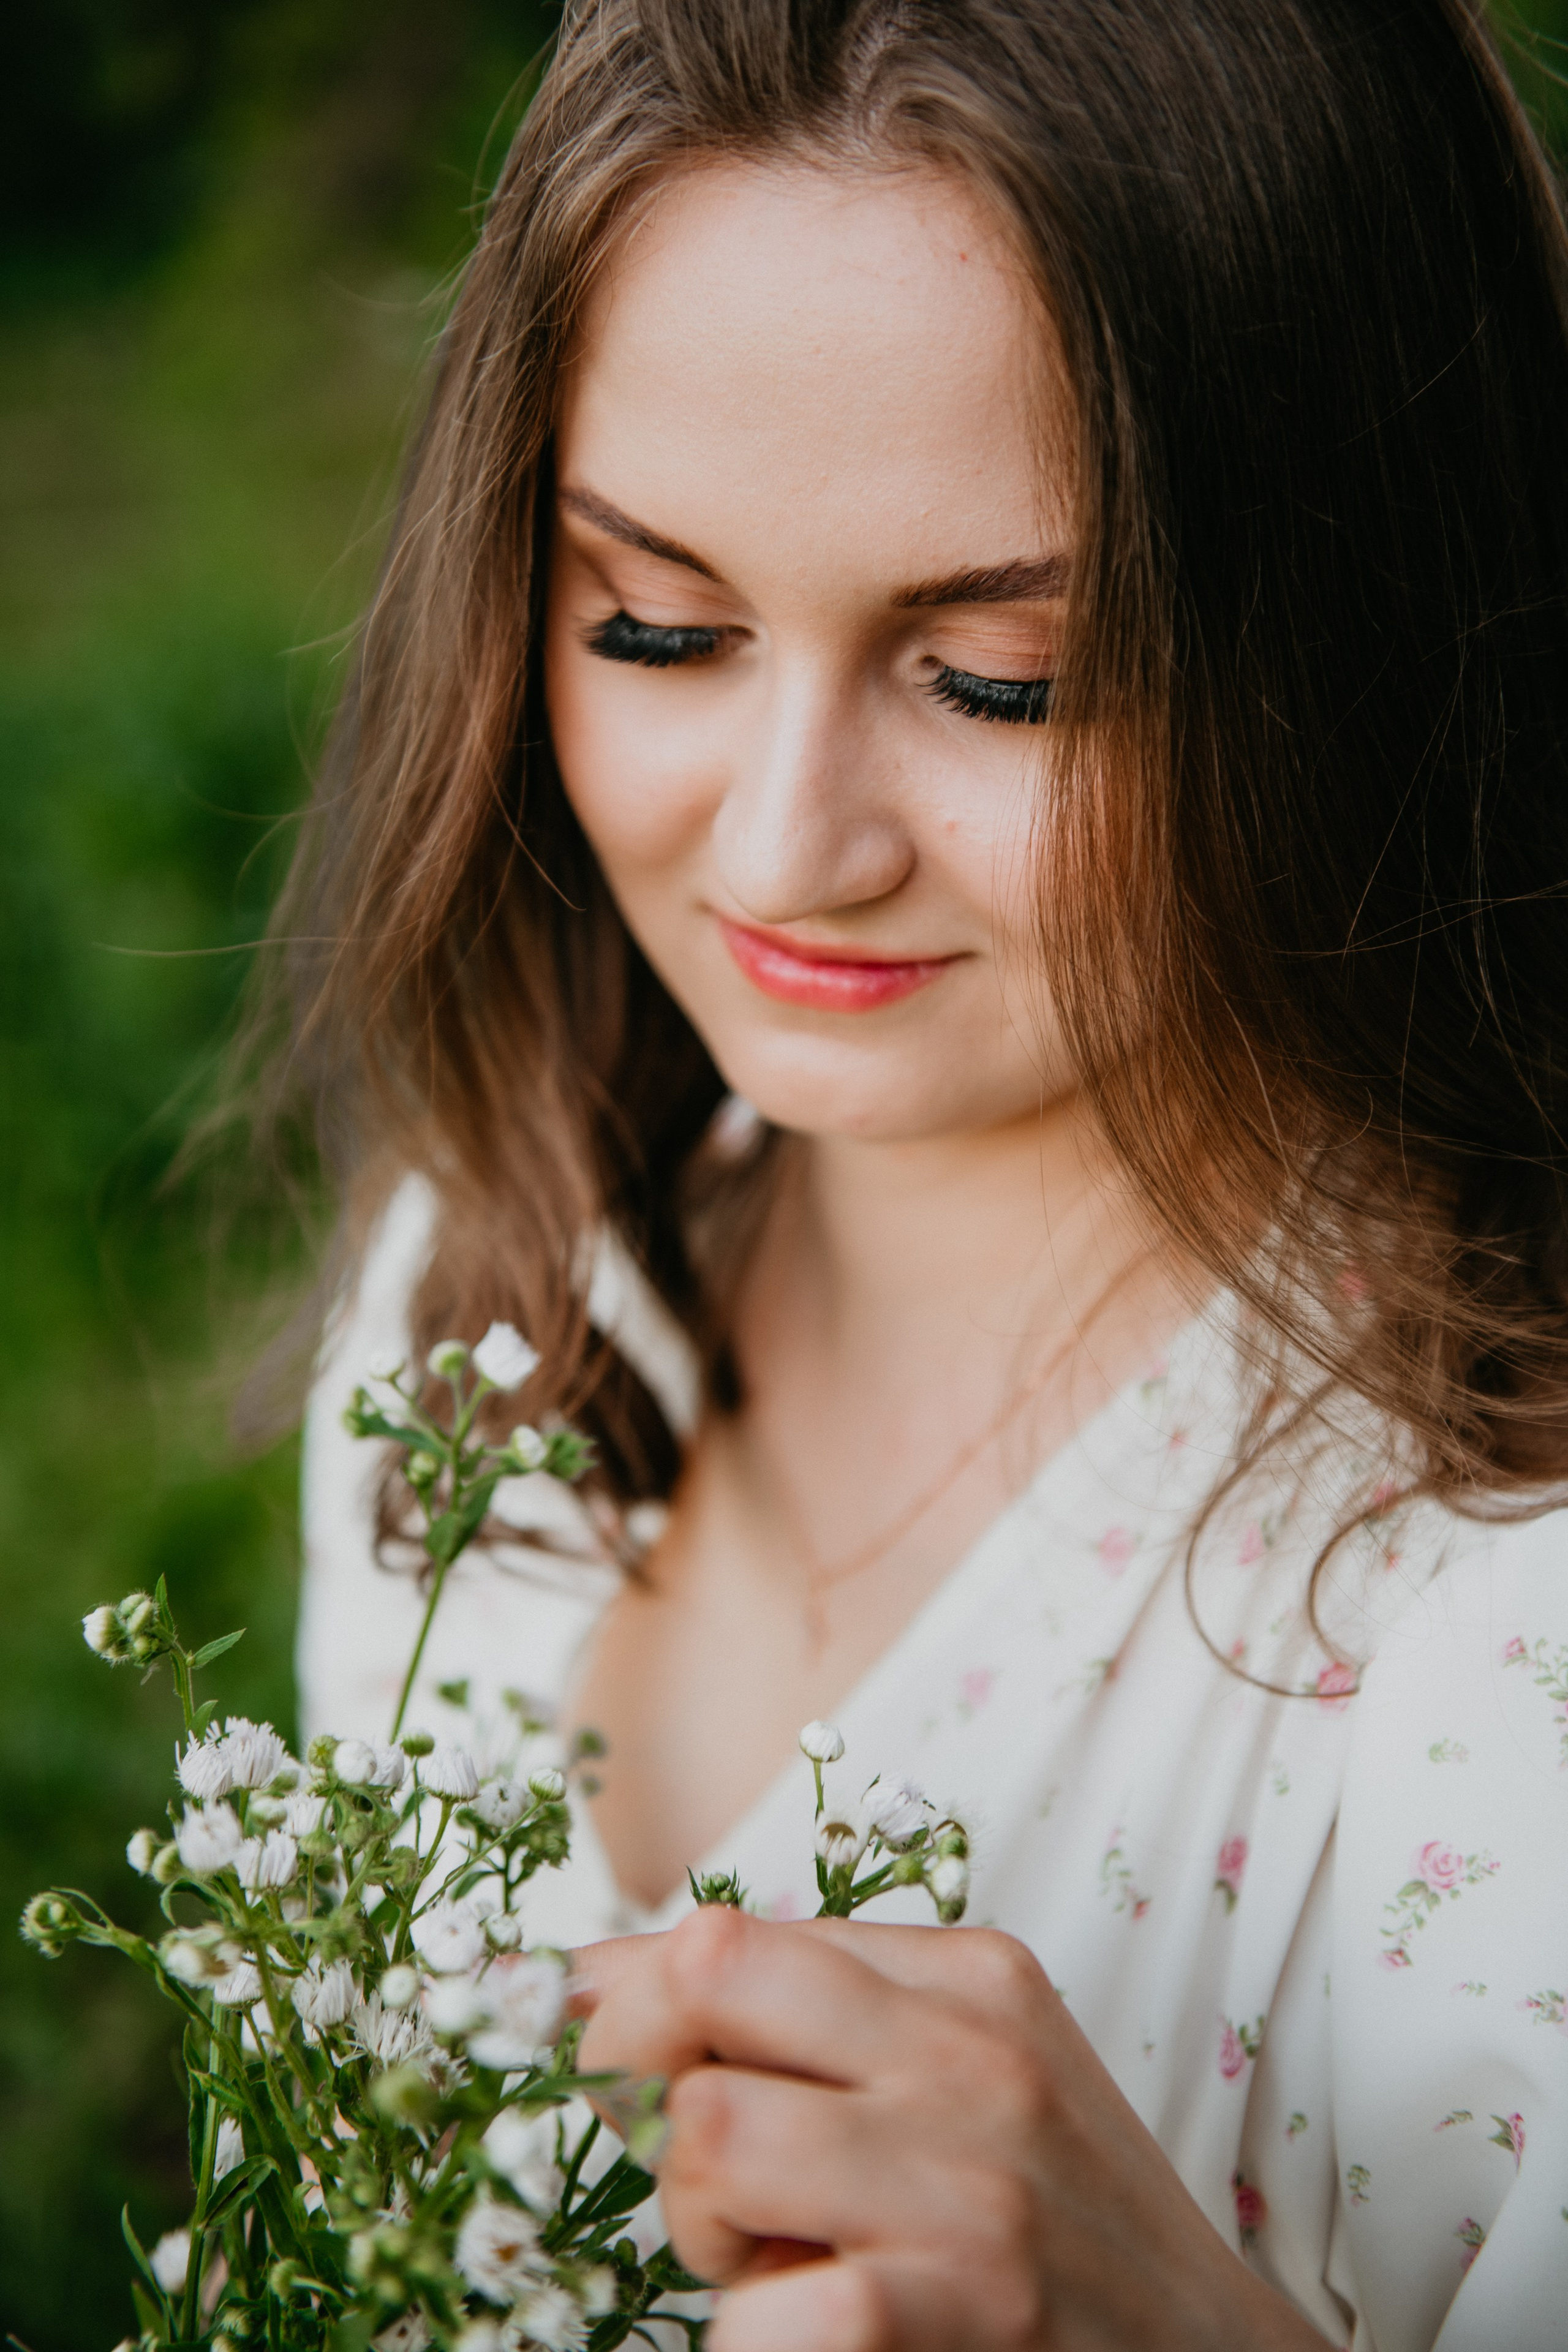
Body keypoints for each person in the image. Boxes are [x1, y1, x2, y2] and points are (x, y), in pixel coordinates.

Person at [277, 2, 1568, 2343]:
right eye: (658, 626)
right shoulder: (490, 1297)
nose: (786, 848)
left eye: (1004, 678)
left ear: (1373, 636)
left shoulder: (1505, 1632)